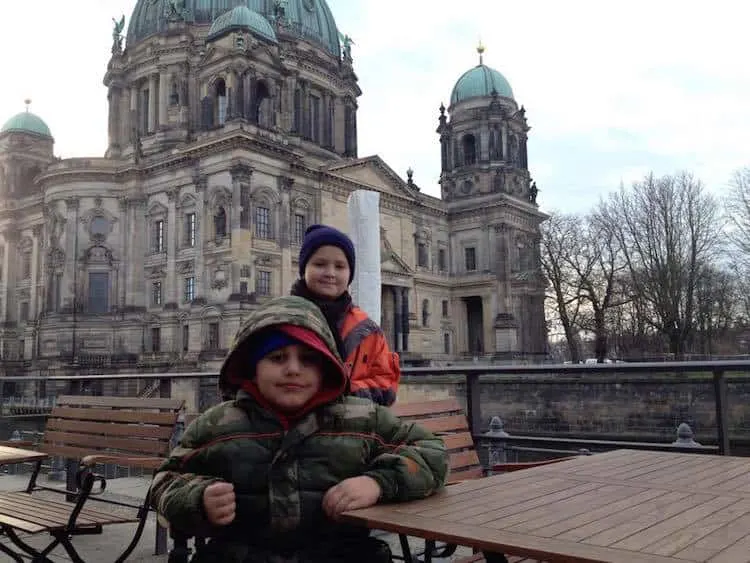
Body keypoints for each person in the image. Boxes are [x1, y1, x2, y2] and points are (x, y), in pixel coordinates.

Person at [150, 296, 448, 563]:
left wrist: (378, 483)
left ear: (326, 367)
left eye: (307, 359)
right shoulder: (216, 424)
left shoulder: (363, 418)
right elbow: (164, 481)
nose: (293, 369)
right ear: (252, 366)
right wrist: (197, 499)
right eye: (277, 358)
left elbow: (432, 452)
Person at [291, 224, 400, 406]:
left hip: (353, 427)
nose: (330, 273)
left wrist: (344, 391)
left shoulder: (367, 330)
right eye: (319, 264)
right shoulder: (280, 318)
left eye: (340, 266)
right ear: (304, 269)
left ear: (350, 274)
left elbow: (386, 385)